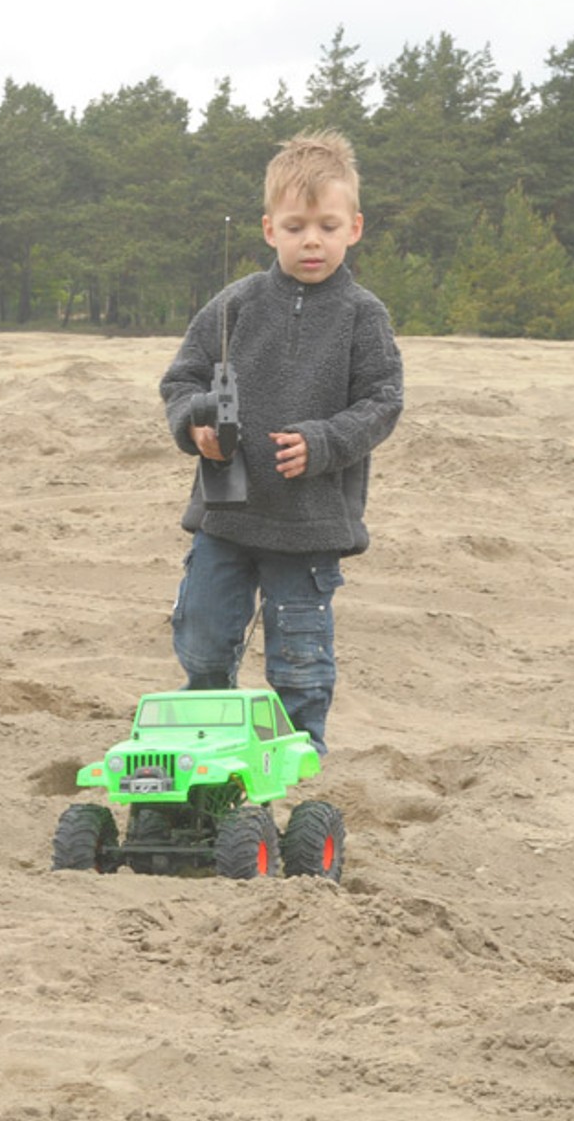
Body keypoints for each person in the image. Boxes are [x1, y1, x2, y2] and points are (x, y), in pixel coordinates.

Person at [159, 129, 403, 754]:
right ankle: (207, 740)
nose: (311, 240)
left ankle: (294, 761)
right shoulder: (235, 304)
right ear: (270, 230)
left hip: (310, 525)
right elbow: (182, 380)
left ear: (354, 228)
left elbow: (383, 401)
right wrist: (196, 426)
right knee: (203, 641)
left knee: (300, 660)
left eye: (327, 226)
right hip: (226, 517)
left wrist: (323, 442)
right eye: (296, 227)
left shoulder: (363, 315)